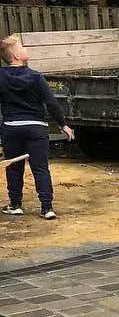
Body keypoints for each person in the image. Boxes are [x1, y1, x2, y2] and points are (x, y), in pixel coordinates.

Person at [0, 34, 74, 219]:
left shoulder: (1, 76)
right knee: (40, 168)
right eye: (22, 47)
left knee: (14, 167)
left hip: (12, 128)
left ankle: (15, 204)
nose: (27, 49)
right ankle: (47, 208)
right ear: (16, 55)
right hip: (36, 128)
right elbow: (51, 103)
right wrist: (63, 124)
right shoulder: (36, 77)